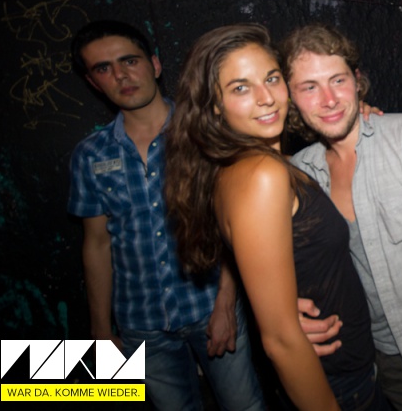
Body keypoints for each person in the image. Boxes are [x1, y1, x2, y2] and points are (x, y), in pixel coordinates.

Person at [163, 23, 386, 411]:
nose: (266, 98)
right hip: (336, 388)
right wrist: (283, 324)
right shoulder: (261, 175)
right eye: (240, 88)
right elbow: (281, 341)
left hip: (345, 372)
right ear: (214, 105)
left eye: (271, 78)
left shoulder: (249, 164)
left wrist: (354, 115)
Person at [67, 20, 264, 411]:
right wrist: (100, 328)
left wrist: (227, 302)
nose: (121, 75)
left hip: (209, 306)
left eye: (129, 60)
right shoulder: (90, 155)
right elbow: (97, 244)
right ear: (93, 82)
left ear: (154, 64)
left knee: (244, 406)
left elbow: (235, 226)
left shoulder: (205, 134)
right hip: (140, 321)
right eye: (104, 68)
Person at [281, 24, 402, 411]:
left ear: (357, 81)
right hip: (355, 363)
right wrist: (285, 316)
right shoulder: (302, 171)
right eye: (309, 87)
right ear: (290, 99)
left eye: (338, 80)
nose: (329, 99)